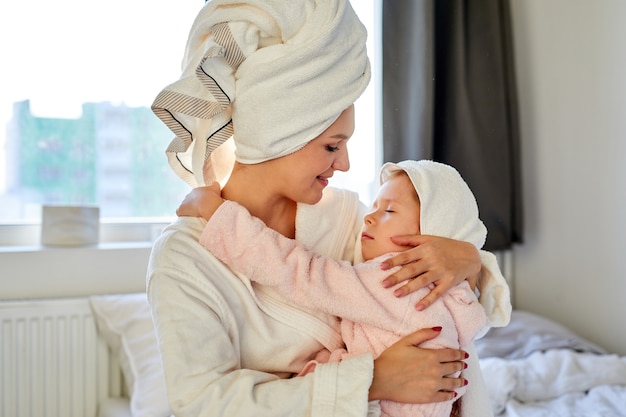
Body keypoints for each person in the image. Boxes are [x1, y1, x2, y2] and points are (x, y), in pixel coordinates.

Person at [147, 1, 511, 416]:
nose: (345, 165)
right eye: (332, 146)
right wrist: (372, 381)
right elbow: (201, 404)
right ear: (277, 136)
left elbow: (438, 301)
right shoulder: (185, 258)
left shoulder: (347, 220)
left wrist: (466, 259)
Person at [177, 159, 496, 417]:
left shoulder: (391, 282)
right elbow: (474, 323)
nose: (369, 218)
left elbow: (300, 271)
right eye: (373, 206)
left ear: (431, 235)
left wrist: (218, 215)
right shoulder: (455, 298)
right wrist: (468, 264)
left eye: (389, 211)